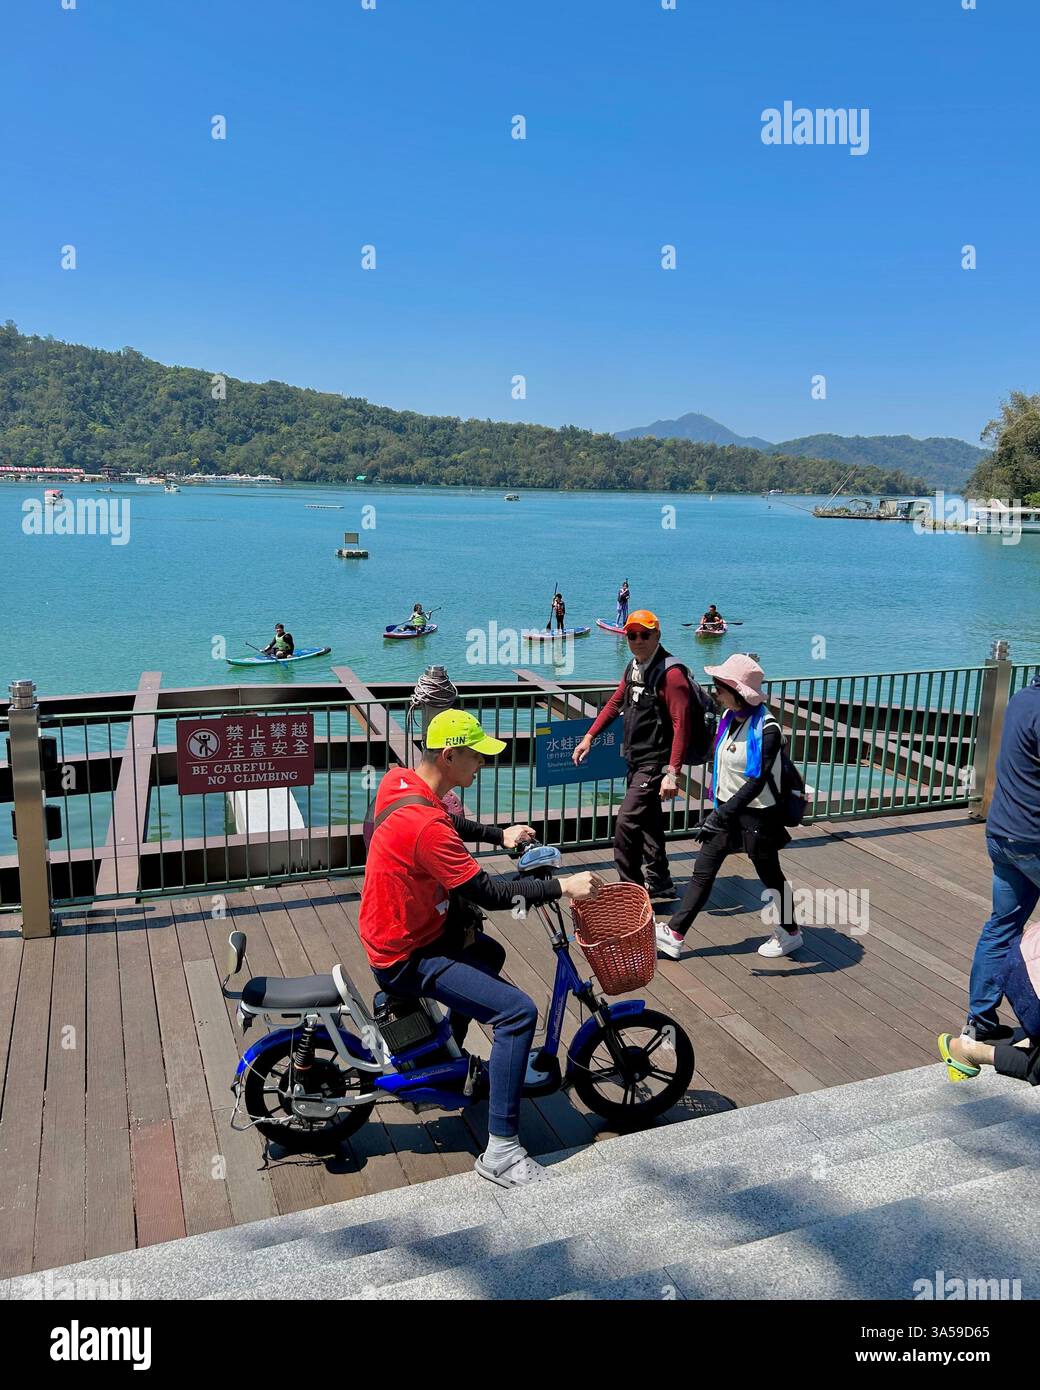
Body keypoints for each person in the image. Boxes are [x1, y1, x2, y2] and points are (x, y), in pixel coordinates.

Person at [359, 709, 603, 1189]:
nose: (482, 766)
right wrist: (564, 887)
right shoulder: (426, 827)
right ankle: (502, 1154)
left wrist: (499, 834)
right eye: (476, 757)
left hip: (401, 929)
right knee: (516, 1013)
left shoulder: (401, 783)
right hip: (405, 951)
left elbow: (446, 823)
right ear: (450, 756)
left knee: (489, 956)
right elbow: (488, 892)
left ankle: (448, 1061)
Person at [654, 653, 803, 961]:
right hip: (727, 810)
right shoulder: (728, 719)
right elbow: (719, 761)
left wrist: (721, 813)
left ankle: (791, 934)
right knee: (702, 871)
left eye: (719, 687)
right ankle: (675, 934)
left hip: (758, 814)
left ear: (736, 692)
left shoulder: (768, 729)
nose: (715, 692)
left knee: (771, 875)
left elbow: (756, 781)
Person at [571, 610, 694, 901]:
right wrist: (589, 736)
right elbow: (615, 703)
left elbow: (682, 724)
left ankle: (632, 891)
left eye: (644, 634)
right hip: (635, 758)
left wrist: (672, 773)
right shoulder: (634, 667)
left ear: (657, 636)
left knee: (626, 823)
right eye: (631, 635)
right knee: (649, 822)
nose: (637, 640)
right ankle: (661, 881)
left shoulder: (672, 675)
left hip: (655, 762)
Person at [960, 672, 1040, 1043]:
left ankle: (980, 1021)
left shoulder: (1022, 700)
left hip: (1003, 833)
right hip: (1033, 840)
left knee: (1001, 927)